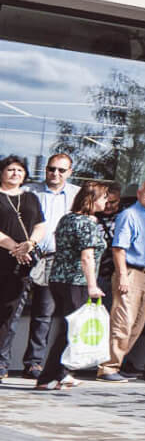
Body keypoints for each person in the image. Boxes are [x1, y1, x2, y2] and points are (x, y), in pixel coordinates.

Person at [36, 179, 111, 391]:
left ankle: (61, 374)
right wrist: (93, 285)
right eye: (104, 197)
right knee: (71, 330)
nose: (106, 201)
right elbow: (87, 257)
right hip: (76, 282)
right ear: (92, 199)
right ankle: (47, 377)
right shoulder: (87, 223)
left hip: (58, 279)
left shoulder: (67, 219)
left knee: (67, 328)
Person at [14, 151, 78, 380]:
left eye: (61, 170)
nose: (55, 173)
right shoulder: (29, 191)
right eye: (51, 168)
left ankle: (34, 363)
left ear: (70, 172)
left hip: (54, 260)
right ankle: (2, 363)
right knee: (11, 312)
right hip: (23, 256)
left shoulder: (75, 196)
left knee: (44, 314)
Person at [98, 178, 145, 382]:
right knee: (122, 322)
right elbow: (119, 248)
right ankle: (108, 367)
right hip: (129, 273)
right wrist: (122, 276)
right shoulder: (130, 215)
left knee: (137, 324)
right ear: (139, 193)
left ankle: (117, 363)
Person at [0, 155, 49, 382]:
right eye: (10, 170)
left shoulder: (30, 197)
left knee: (10, 315)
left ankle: (2, 363)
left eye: (19, 170)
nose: (15, 174)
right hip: (4, 257)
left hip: (22, 264)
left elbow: (40, 225)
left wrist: (30, 244)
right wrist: (14, 247)